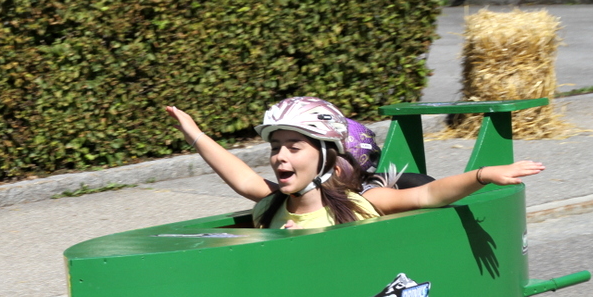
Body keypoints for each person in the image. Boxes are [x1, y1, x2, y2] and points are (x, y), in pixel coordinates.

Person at [165, 97, 545, 230]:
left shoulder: (361, 204)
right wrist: (195, 134)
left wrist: (482, 174)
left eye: (294, 147)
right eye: (275, 147)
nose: (280, 156)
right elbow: (240, 176)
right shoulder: (272, 203)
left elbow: (427, 195)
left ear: (328, 159)